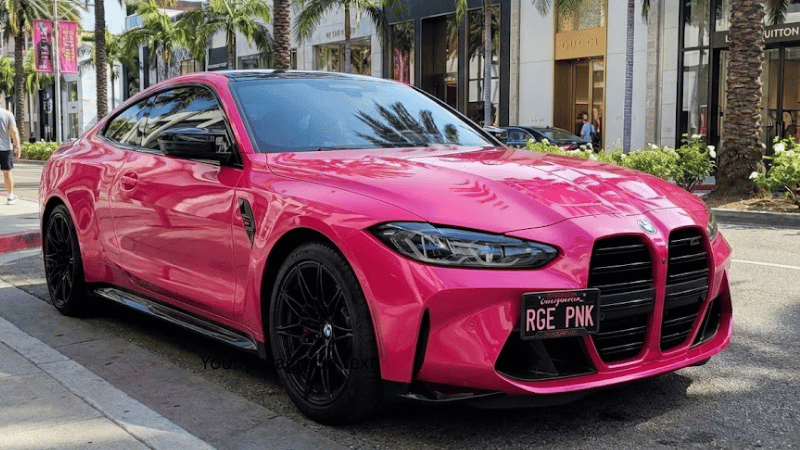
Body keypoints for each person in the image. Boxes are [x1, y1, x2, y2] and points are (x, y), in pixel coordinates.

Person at [0, 105, 22, 205]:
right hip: (5, 148)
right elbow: (13, 130)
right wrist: (17, 146)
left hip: (5, 148)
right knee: (7, 172)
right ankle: (10, 197)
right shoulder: (7, 114)